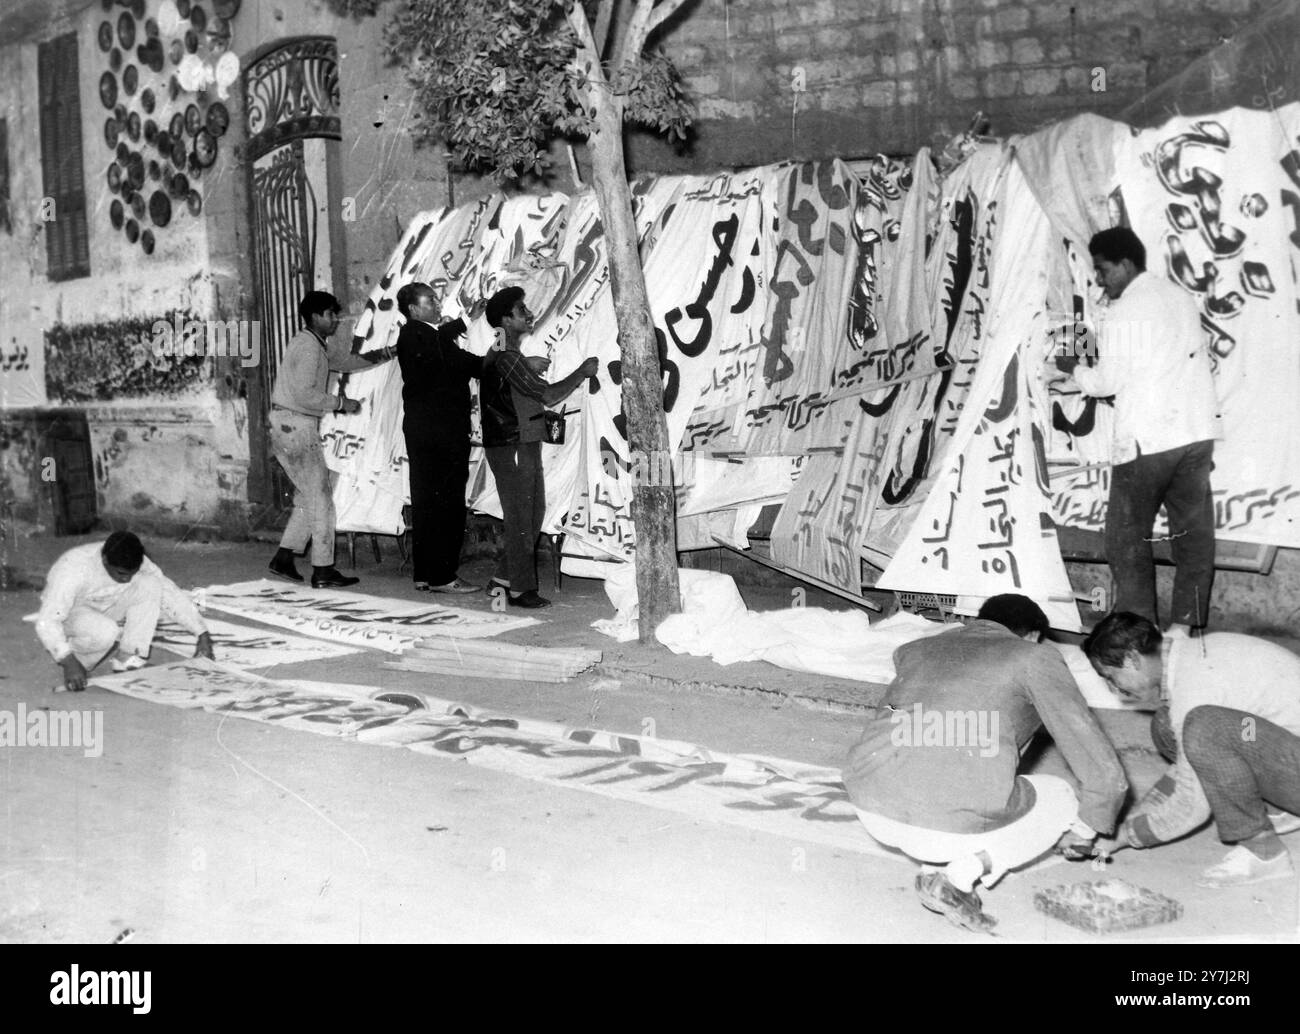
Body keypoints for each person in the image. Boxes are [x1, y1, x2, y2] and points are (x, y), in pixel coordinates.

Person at [843, 595, 1128, 933]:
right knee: (1059, 795)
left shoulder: (917, 648)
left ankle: (931, 864)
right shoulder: (1034, 656)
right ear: (1033, 635)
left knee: (939, 752)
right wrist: (1087, 826)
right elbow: (1091, 752)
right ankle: (957, 878)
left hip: (870, 808)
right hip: (941, 824)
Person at [1053, 226, 1221, 635]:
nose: (1099, 280)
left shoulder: (1127, 309)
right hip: (1195, 436)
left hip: (1149, 442)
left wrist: (1071, 367)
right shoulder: (1179, 297)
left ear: (1126, 264)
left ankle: (1140, 631)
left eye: (1104, 270)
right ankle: (1185, 631)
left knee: (1125, 542)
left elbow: (1105, 382)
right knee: (1194, 539)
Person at [1082, 612, 1300, 888]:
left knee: (1203, 727)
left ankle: (1265, 853)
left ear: (1133, 660)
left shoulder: (1195, 687)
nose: (1114, 689)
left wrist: (1122, 837)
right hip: (1289, 752)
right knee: (1168, 726)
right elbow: (1188, 766)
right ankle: (1277, 807)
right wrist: (1142, 813)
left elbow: (1191, 807)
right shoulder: (1189, 656)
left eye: (1111, 677)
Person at [267, 290, 396, 589]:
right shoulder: (310, 349)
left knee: (310, 494)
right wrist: (341, 403)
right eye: (330, 314)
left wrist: (387, 353)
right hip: (295, 427)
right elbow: (304, 394)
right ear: (315, 316)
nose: (335, 319)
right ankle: (323, 570)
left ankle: (284, 557)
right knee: (322, 499)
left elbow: (346, 362)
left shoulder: (313, 344)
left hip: (289, 425)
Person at [481, 287, 598, 609]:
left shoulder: (504, 351)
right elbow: (546, 395)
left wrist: (524, 364)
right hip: (513, 444)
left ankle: (504, 578)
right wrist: (582, 372)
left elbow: (504, 372)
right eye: (521, 309)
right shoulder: (506, 355)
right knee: (522, 518)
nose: (528, 314)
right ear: (505, 319)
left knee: (531, 515)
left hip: (518, 443)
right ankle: (520, 590)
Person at [30, 531, 214, 692]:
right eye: (120, 573)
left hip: (106, 607)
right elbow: (47, 621)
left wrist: (201, 633)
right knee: (106, 631)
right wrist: (67, 659)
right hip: (72, 615)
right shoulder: (73, 569)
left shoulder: (136, 561)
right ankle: (77, 663)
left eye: (131, 573)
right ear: (104, 560)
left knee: (151, 583)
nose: (127, 579)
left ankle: (128, 657)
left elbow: (169, 592)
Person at [394, 282, 485, 594]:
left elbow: (441, 341)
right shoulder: (419, 336)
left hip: (425, 431)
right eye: (430, 299)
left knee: (427, 502)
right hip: (441, 432)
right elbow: (462, 362)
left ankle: (426, 573)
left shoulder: (420, 335)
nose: (438, 302)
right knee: (446, 502)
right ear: (414, 310)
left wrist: (465, 321)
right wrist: (506, 362)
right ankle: (444, 576)